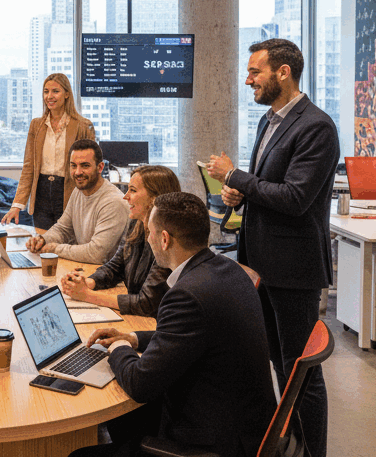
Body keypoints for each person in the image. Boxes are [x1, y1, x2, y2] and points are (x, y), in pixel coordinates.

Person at [206, 38, 338, 457]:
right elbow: (268, 187)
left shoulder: (316, 126)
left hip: (293, 270)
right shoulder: (269, 121)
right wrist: (238, 193)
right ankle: (289, 442)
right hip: (262, 265)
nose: (248, 80)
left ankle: (312, 452)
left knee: (301, 374)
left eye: (255, 72)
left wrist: (235, 177)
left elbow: (296, 198)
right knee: (279, 363)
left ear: (283, 72)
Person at [71, 193, 276, 457]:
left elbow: (140, 385)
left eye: (150, 232)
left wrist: (118, 347)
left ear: (165, 239)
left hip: (210, 443)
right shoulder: (229, 269)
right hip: (245, 424)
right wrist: (132, 337)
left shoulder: (187, 294)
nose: (147, 239)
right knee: (121, 420)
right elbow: (191, 336)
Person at [59, 165, 178, 317]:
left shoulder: (167, 238)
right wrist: (88, 282)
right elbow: (116, 266)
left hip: (157, 322)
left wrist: (87, 295)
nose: (125, 196)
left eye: (133, 190)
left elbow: (146, 303)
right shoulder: (136, 223)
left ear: (154, 198)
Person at [1, 73, 96, 231]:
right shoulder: (36, 125)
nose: (49, 96)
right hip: (42, 194)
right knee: (43, 241)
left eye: (55, 91)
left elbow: (90, 168)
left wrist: (90, 201)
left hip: (70, 192)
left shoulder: (83, 126)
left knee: (67, 242)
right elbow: (29, 167)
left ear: (67, 94)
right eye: (46, 91)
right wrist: (17, 205)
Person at [24, 139, 129, 264]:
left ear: (100, 167)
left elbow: (97, 254)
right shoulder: (78, 191)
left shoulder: (113, 202)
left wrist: (55, 249)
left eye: (85, 166)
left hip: (104, 272)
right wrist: (43, 240)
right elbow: (63, 229)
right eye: (73, 166)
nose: (78, 172)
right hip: (85, 268)